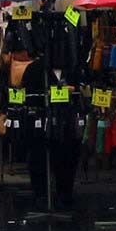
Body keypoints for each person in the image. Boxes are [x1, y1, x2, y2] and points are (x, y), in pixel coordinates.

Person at [22, 54, 80, 212]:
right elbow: (28, 94)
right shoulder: (35, 69)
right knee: (39, 157)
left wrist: (73, 91)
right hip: (41, 120)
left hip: (66, 120)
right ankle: (41, 195)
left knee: (67, 157)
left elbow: (80, 90)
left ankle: (64, 194)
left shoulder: (72, 68)